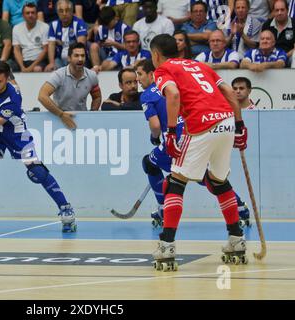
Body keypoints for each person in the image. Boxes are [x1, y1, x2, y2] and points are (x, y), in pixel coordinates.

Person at [149, 34, 248, 271]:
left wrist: (171, 132)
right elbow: (231, 95)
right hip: (225, 121)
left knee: (175, 182)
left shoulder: (162, 70)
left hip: (201, 125)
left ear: (155, 55)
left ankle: (167, 244)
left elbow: (173, 95)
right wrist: (240, 126)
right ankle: (236, 240)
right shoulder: (200, 65)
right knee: (219, 181)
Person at [0, 60, 77, 237]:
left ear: (7, 79)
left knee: (37, 171)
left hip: (15, 131)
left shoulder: (13, 98)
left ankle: (66, 209)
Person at [136, 58, 250, 229]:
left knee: (151, 164)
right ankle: (240, 206)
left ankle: (163, 209)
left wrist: (155, 137)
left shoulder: (148, 93)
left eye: (140, 74)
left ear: (152, 73)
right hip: (205, 126)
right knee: (206, 176)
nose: (138, 79)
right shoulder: (182, 79)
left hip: (179, 134)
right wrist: (239, 124)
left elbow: (155, 126)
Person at [38, 42, 101, 129]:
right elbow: (42, 96)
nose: (80, 59)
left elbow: (97, 97)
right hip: (59, 118)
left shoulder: (92, 76)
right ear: (69, 58)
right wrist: (61, 114)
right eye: (76, 55)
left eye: (83, 56)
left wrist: (91, 114)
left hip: (82, 119)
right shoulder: (58, 75)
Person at [44, 0, 87, 71]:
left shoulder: (79, 23)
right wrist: (51, 63)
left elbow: (80, 47)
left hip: (76, 59)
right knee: (51, 68)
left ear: (71, 11)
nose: (64, 14)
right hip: (60, 59)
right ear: (57, 13)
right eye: (61, 11)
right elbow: (51, 45)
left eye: (67, 10)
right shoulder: (53, 25)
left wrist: (71, 60)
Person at [90, 6, 130, 71]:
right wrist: (101, 43)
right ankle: (96, 68)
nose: (107, 26)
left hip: (119, 55)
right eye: (105, 24)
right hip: (106, 54)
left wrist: (114, 44)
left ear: (114, 18)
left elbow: (130, 47)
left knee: (105, 64)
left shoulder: (124, 28)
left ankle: (99, 69)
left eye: (108, 23)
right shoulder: (101, 28)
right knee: (93, 46)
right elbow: (97, 44)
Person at [12, 2, 49, 72]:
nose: (30, 15)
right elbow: (16, 50)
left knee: (37, 69)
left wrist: (30, 67)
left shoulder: (45, 27)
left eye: (33, 12)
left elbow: (45, 50)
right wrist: (22, 66)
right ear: (23, 15)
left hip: (39, 60)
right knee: (9, 68)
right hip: (23, 60)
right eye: (27, 13)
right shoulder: (16, 28)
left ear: (37, 14)